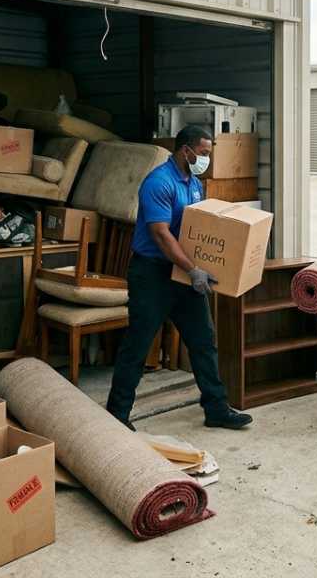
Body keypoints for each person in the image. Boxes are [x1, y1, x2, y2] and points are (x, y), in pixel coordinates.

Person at [105, 125, 252, 431]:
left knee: (203, 342)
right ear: (185, 149)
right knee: (138, 344)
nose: (206, 159)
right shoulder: (158, 182)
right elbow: (160, 234)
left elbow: (198, 229)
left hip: (185, 274)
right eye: (203, 153)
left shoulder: (195, 184)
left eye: (209, 154)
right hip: (152, 274)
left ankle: (216, 409)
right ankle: (117, 415)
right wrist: (193, 269)